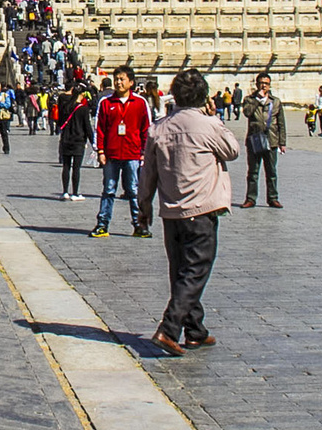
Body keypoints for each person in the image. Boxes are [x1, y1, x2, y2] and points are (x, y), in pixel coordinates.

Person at [137, 68, 239, 355]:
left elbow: (148, 175)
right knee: (195, 271)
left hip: (171, 212)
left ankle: (195, 330)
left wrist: (143, 208)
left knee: (181, 271)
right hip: (201, 210)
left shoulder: (158, 128)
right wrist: (215, 117)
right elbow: (232, 149)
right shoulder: (207, 126)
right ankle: (169, 330)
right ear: (203, 96)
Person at [91, 66, 151, 238]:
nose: (118, 82)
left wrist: (144, 152)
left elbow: (146, 129)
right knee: (109, 190)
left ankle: (139, 224)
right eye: (116, 78)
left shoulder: (140, 103)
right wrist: (100, 150)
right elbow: (100, 128)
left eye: (122, 79)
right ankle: (102, 224)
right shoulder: (106, 103)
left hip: (132, 153)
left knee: (133, 190)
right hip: (111, 153)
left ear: (131, 82)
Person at [237, 73, 287, 208]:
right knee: (253, 172)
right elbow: (247, 113)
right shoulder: (249, 99)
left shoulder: (275, 101)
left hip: (271, 140)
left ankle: (273, 198)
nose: (263, 85)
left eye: (266, 83)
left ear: (269, 85)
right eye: (261, 83)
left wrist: (282, 142)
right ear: (257, 84)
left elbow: (281, 123)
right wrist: (257, 100)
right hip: (254, 140)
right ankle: (250, 199)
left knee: (271, 172)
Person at [57, 83, 94, 201]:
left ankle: (65, 192)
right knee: (76, 168)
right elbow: (87, 127)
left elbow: (60, 122)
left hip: (66, 139)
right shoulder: (83, 109)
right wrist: (93, 142)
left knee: (66, 166)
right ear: (82, 94)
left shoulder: (65, 106)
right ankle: (75, 193)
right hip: (78, 140)